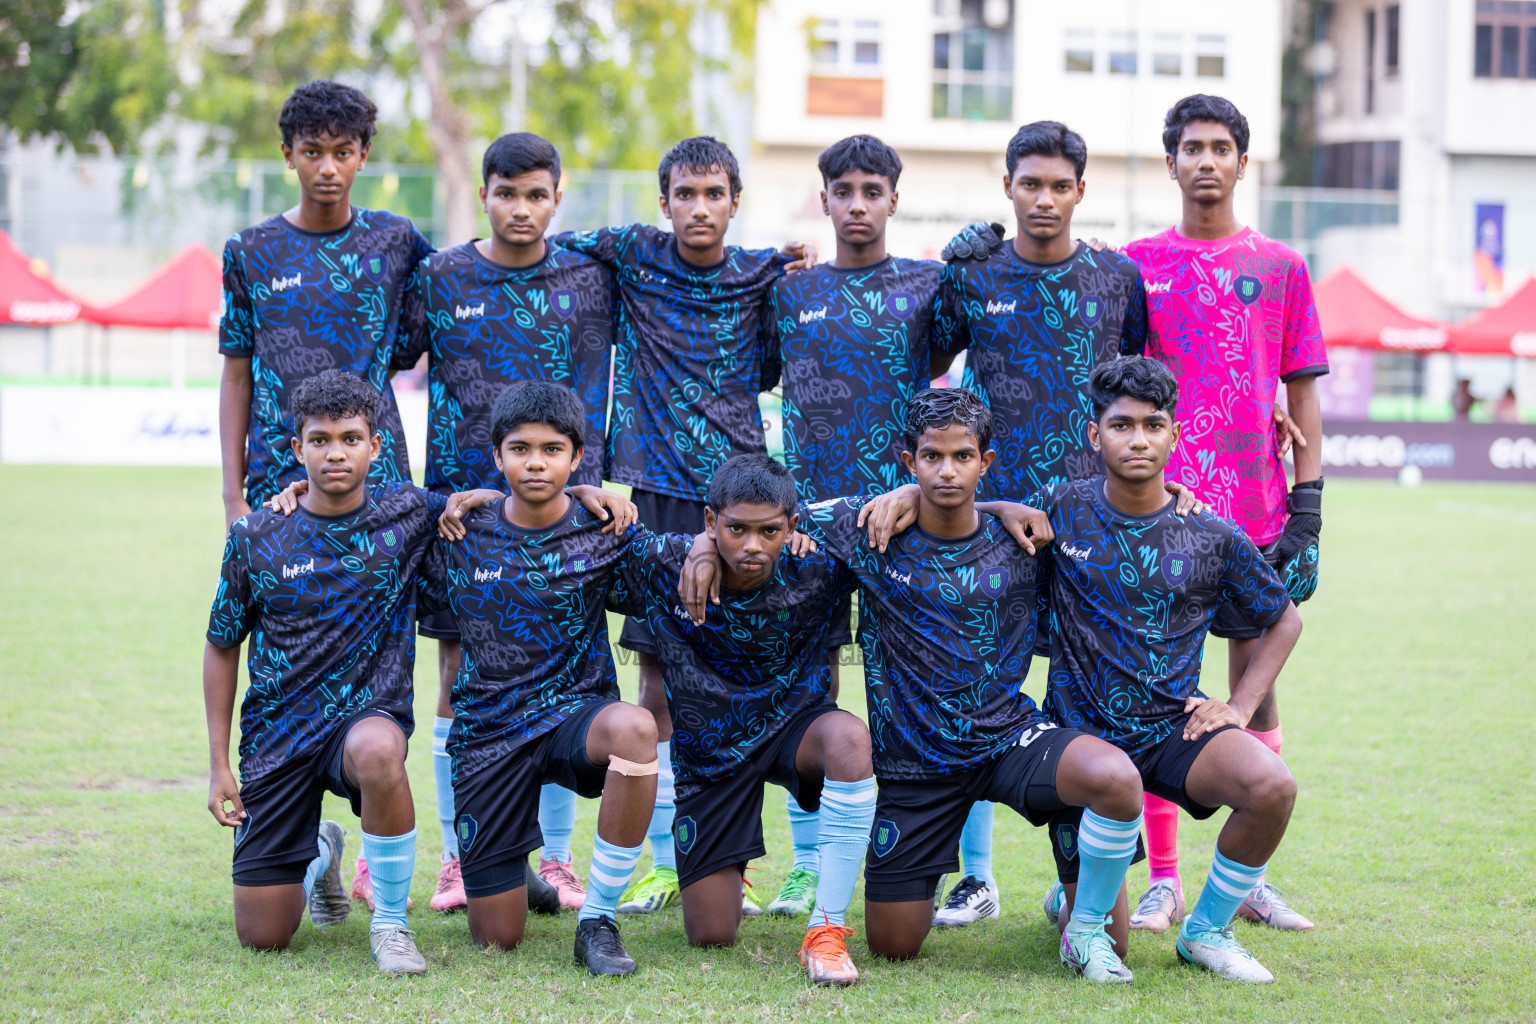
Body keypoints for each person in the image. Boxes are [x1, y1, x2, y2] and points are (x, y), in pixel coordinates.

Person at [800, 389, 1147, 983]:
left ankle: (1079, 919)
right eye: (931, 458)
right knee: (893, 945)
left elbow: (1130, 510)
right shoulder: (870, 528)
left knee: (1114, 779)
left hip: (1009, 739)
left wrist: (1000, 507)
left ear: (985, 461)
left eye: (963, 456)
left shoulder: (1027, 538)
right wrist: (705, 545)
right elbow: (773, 517)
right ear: (907, 463)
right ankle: (931, 878)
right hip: (916, 763)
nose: (947, 470)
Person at [554, 136, 815, 916]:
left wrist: (789, 258)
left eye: (714, 194)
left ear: (736, 202)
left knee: (766, 676)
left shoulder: (763, 274)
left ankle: (791, 864)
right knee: (660, 682)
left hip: (747, 503)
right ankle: (669, 860)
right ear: (663, 201)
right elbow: (544, 241)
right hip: (656, 495)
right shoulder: (631, 253)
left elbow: (773, 362)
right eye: (685, 195)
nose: (699, 209)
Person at [921, 120, 1149, 926]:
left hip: (1090, 529)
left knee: (1088, 696)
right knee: (974, 686)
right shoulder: (973, 276)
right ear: (1008, 186)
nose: (1044, 199)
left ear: (1081, 191)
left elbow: (1142, 401)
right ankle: (974, 877)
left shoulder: (1117, 280)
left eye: (1060, 185)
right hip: (985, 527)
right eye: (1030, 183)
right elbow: (918, 372)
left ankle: (1080, 884)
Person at [1121, 95, 1328, 934]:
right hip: (1161, 514)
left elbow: (1303, 394)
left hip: (1257, 514)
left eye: (1221, 148)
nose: (1206, 161)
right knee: (1160, 694)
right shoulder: (1133, 266)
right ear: (1169, 164)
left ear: (1245, 162)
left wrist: (1308, 512)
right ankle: (1166, 877)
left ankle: (1247, 878)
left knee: (1257, 693)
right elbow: (1117, 392)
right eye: (1190, 148)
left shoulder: (1282, 266)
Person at [1027, 356, 1303, 982]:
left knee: (1272, 787)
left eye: (1154, 425)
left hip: (1169, 727)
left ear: (1174, 434)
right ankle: (1079, 904)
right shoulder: (1061, 506)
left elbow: (1283, 619)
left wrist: (1238, 706)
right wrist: (938, 496)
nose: (1139, 439)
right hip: (1081, 740)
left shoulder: (1209, 533)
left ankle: (1206, 932)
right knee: (1113, 944)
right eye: (1121, 425)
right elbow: (970, 512)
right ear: (1095, 435)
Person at [394, 131, 614, 914]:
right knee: (460, 678)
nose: (520, 209)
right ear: (483, 193)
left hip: (570, 516)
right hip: (465, 518)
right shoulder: (440, 275)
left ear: (559, 198)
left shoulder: (594, 274)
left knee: (563, 675)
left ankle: (553, 860)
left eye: (536, 194)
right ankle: (460, 857)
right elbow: (377, 360)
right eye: (505, 193)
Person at [203, 370, 451, 975]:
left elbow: (502, 506)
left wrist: (588, 495)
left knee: (378, 749)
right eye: (319, 440)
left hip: (363, 723)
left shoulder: (410, 515)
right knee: (264, 936)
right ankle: (318, 853)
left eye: (350, 438)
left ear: (375, 445)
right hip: (277, 738)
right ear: (297, 449)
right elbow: (220, 643)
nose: (335, 452)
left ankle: (391, 925)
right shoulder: (257, 535)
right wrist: (217, 764)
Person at [418, 380, 660, 976]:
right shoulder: (457, 530)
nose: (535, 461)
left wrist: (801, 535)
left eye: (552, 450)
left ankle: (598, 919)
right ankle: (513, 869)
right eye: (520, 448)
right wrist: (294, 492)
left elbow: (702, 552)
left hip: (574, 718)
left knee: (634, 727)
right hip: (488, 736)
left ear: (578, 458)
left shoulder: (606, 528)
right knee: (497, 938)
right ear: (496, 455)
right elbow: (362, 510)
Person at [761, 133, 943, 916]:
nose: (859, 205)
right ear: (826, 196)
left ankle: (962, 869)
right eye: (845, 191)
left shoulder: (933, 286)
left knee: (922, 685)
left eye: (874, 191)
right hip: (810, 523)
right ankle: (809, 863)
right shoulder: (790, 290)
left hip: (908, 518)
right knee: (813, 684)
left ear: (894, 200)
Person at [612, 454, 875, 986]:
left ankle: (826, 929)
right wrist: (589, 495)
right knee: (711, 934)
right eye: (735, 530)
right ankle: (732, 867)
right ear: (710, 522)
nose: (752, 546)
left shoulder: (818, 562)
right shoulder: (666, 563)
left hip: (792, 730)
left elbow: (920, 500)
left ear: (792, 526)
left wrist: (999, 505)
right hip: (711, 756)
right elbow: (561, 520)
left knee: (849, 738)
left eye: (769, 531)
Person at [218, 79, 432, 524]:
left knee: (382, 595)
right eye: (313, 151)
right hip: (275, 474)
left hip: (377, 473)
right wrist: (231, 496)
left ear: (364, 155)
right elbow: (237, 377)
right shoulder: (249, 250)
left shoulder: (396, 240)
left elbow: (437, 314)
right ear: (288, 154)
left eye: (343, 152)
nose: (328, 167)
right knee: (282, 596)